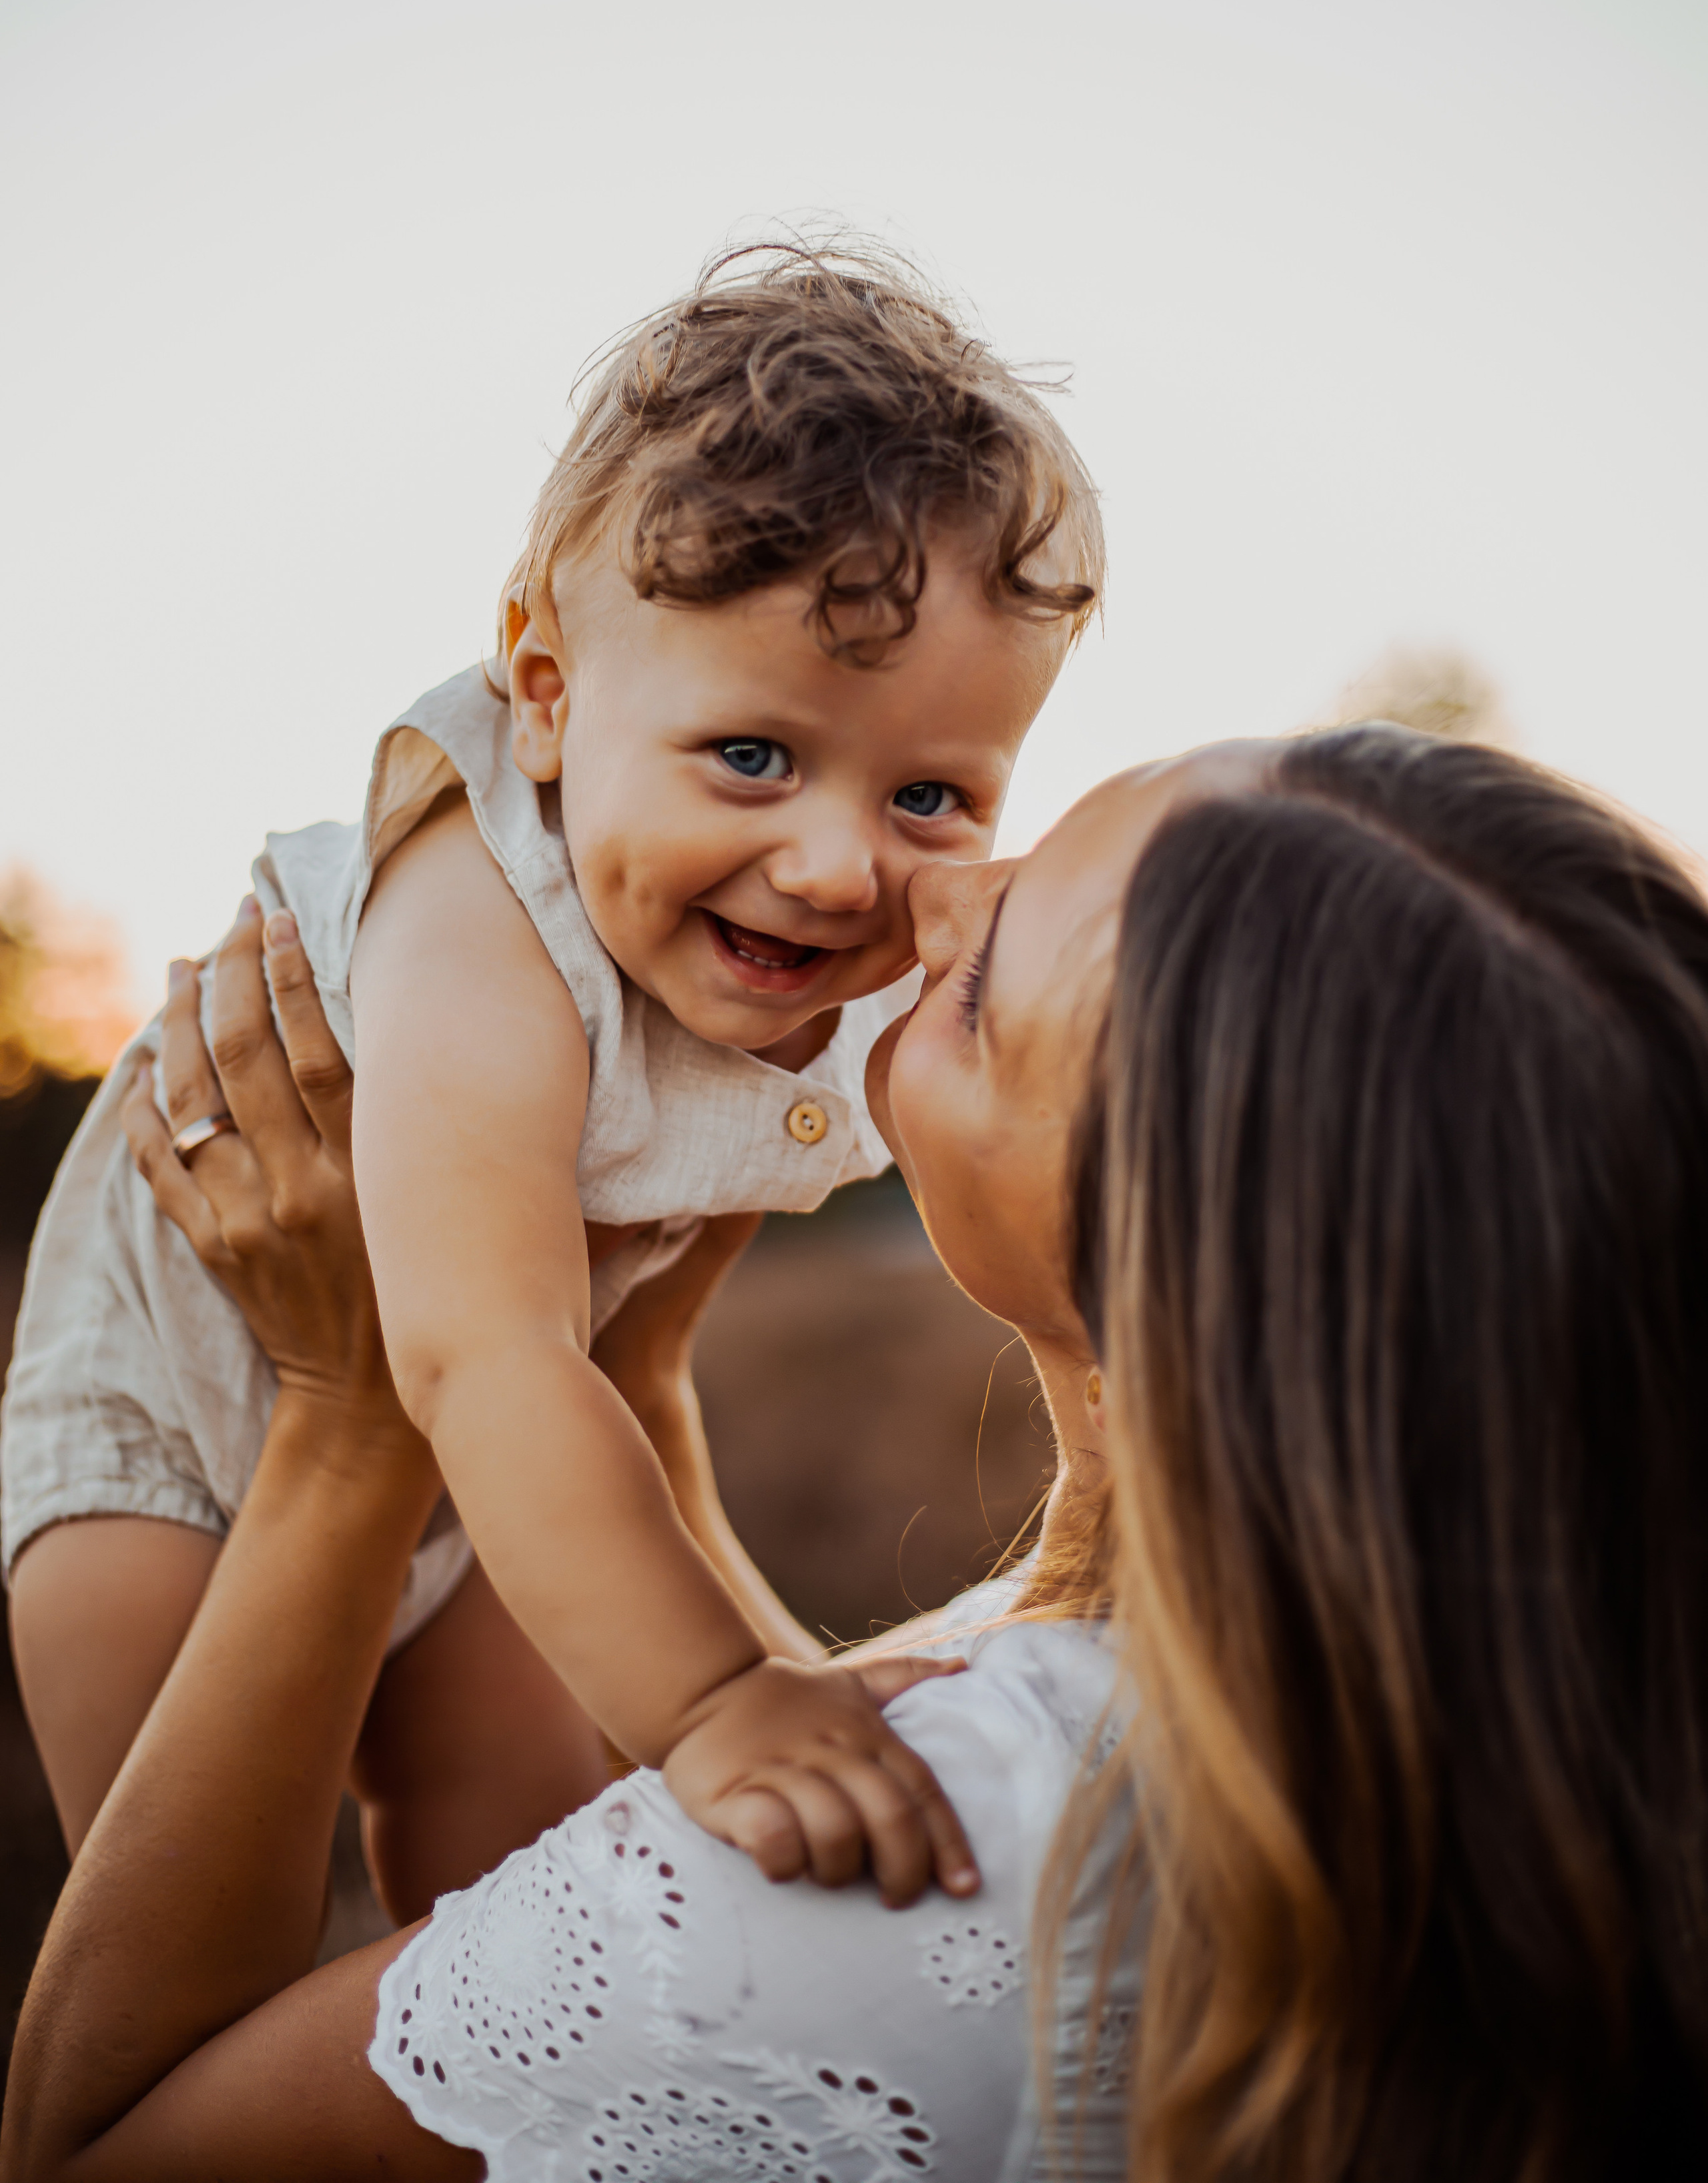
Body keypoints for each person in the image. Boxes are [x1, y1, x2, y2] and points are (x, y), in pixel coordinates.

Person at [8, 724, 1707, 2182]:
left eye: (981, 982)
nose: (930, 896)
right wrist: (646, 1405)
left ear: (1167, 1291)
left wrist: (355, 1416)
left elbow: (94, 2153)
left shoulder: (946, 1859)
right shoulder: (1468, 1733)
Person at [3, 240, 1104, 1913]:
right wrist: (720, 1701)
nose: (834, 868)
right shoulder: (475, 917)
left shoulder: (845, 947)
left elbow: (610, 1379)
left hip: (494, 1469)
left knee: (514, 1868)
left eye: (929, 798)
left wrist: (792, 1682)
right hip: (172, 1437)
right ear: (545, 697)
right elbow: (484, 1345)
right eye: (751, 756)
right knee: (188, 1919)